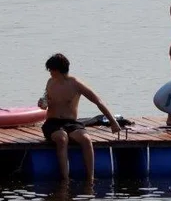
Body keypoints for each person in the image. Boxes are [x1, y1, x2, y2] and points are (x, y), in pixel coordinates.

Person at [37, 53, 120, 181]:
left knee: (86, 139)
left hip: (71, 123)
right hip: (52, 123)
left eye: (51, 70)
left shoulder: (75, 83)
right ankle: (65, 178)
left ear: (58, 70)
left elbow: (98, 101)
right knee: (62, 138)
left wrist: (113, 121)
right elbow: (46, 102)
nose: (50, 73)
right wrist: (42, 104)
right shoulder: (50, 82)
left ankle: (90, 178)